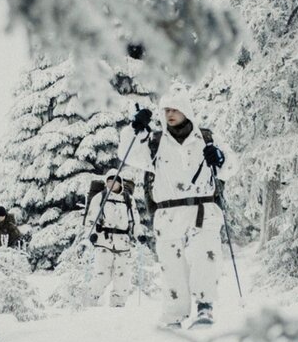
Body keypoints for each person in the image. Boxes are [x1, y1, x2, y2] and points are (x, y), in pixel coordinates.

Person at [118, 92, 235, 328]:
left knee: (205, 256)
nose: (169, 114)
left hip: (203, 208)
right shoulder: (154, 142)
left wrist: (220, 159)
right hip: (168, 213)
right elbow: (127, 154)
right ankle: (174, 315)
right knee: (171, 264)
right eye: (166, 110)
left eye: (174, 109)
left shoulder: (207, 137)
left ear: (185, 109)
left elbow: (231, 165)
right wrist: (135, 129)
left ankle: (205, 307)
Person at [82, 169, 137, 307]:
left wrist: (139, 234)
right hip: (103, 241)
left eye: (115, 182)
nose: (112, 185)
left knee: (123, 276)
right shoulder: (100, 197)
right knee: (101, 274)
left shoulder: (128, 200)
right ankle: (90, 302)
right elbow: (91, 218)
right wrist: (92, 233)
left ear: (120, 184)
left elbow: (135, 220)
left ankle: (118, 305)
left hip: (123, 243)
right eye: (109, 182)